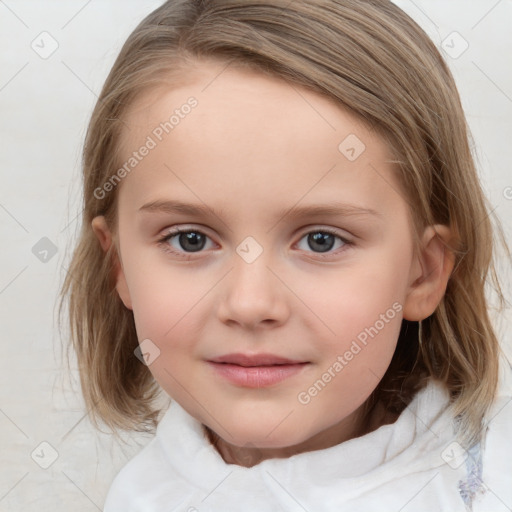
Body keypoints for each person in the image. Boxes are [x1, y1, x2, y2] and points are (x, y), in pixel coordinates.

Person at [58, 0, 512, 510]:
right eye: (190, 239)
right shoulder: (137, 496)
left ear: (423, 273)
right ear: (117, 264)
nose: (250, 304)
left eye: (322, 240)